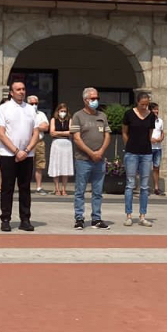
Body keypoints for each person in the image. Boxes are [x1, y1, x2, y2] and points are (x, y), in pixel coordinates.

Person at [0, 80, 39, 232]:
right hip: (8, 154)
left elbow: (36, 133)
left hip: (27, 154)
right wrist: (16, 151)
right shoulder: (4, 108)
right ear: (11, 93)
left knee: (25, 188)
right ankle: (5, 219)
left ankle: (25, 219)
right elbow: (1, 133)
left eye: (23, 89)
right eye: (18, 89)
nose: (21, 92)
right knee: (7, 188)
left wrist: (26, 150)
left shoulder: (30, 109)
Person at [70, 87, 111, 230]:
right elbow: (77, 138)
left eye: (97, 98)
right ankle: (79, 218)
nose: (96, 101)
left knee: (98, 191)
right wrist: (91, 153)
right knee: (80, 191)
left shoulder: (102, 116)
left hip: (99, 160)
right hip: (83, 159)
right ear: (85, 100)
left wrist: (100, 152)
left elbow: (107, 135)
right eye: (93, 98)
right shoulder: (78, 116)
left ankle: (96, 218)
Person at [121, 91, 156, 227]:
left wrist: (146, 145)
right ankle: (128, 215)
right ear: (137, 102)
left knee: (145, 186)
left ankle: (142, 215)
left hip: (146, 153)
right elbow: (124, 131)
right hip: (132, 152)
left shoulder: (151, 116)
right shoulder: (129, 114)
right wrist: (128, 146)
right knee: (130, 184)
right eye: (142, 104)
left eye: (146, 105)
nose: (144, 107)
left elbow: (150, 134)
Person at [47, 102, 74, 195]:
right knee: (56, 165)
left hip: (67, 145)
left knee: (65, 166)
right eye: (61, 111)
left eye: (64, 111)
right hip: (56, 144)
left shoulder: (69, 120)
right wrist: (64, 133)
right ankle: (57, 188)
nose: (63, 113)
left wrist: (58, 133)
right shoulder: (53, 120)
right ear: (58, 111)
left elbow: (71, 132)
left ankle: (64, 189)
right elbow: (52, 132)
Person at [27, 94, 49, 194]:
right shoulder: (24, 114)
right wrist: (39, 127)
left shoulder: (41, 114)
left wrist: (34, 127)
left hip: (39, 142)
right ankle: (25, 186)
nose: (34, 105)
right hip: (27, 142)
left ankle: (39, 187)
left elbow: (46, 127)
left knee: (39, 165)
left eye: (36, 103)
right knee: (26, 165)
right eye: (32, 103)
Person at [149, 102, 165, 197]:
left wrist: (160, 138)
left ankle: (156, 187)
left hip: (158, 148)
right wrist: (150, 139)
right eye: (154, 109)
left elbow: (162, 133)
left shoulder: (160, 121)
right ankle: (145, 187)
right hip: (149, 147)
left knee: (156, 167)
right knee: (146, 168)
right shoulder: (147, 120)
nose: (156, 111)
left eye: (157, 109)